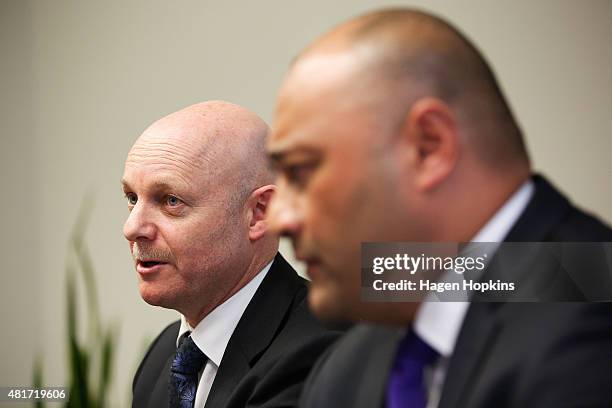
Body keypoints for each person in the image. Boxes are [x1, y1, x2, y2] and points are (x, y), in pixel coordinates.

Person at [267, 8, 612, 408]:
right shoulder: (345, 368)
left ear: (428, 148)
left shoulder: (591, 331)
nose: (280, 219)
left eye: (300, 172)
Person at [122, 100, 338, 408]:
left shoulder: (319, 351)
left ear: (259, 213)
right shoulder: (161, 357)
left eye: (170, 200)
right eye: (132, 197)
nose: (132, 228)